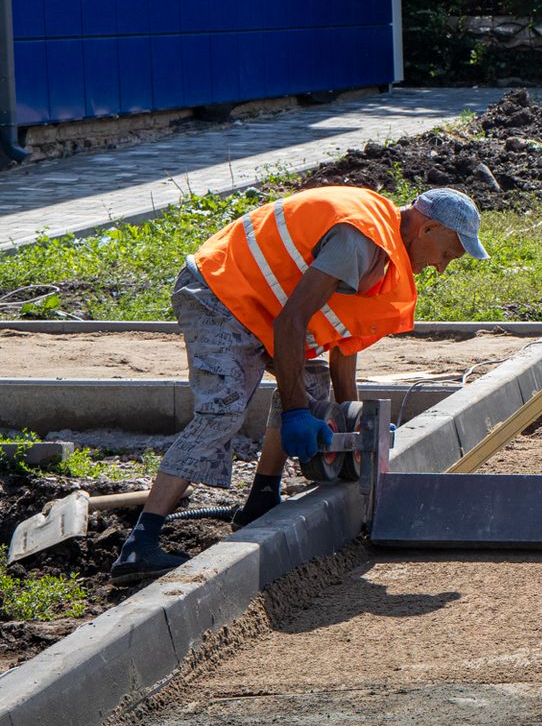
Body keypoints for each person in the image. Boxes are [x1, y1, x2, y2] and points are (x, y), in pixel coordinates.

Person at [111, 186, 486, 584]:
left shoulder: (384, 246)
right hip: (219, 292)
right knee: (224, 409)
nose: (441, 267)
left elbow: (344, 344)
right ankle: (140, 545)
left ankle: (260, 501)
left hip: (261, 306)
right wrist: (294, 414)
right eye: (447, 255)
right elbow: (290, 323)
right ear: (427, 229)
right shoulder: (359, 237)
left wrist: (354, 427)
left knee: (311, 388)